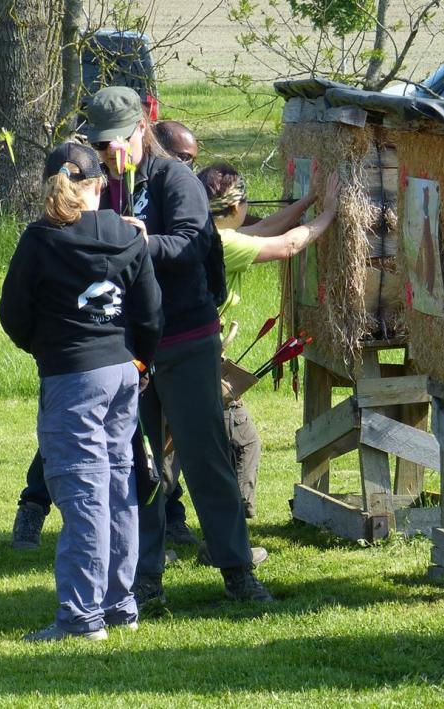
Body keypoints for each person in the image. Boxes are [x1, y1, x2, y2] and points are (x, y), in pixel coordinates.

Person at [91, 86, 272, 604]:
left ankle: (237, 570)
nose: (109, 153)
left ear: (140, 130)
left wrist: (139, 241)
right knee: (139, 464)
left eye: (115, 142)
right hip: (129, 346)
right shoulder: (102, 187)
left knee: (204, 455)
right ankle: (145, 577)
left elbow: (192, 243)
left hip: (187, 336)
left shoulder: (174, 179)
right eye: (100, 145)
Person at [0, 142, 161, 641]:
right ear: (101, 186)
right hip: (122, 371)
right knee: (117, 484)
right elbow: (150, 312)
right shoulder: (128, 234)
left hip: (72, 374)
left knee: (83, 490)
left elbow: (13, 313)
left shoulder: (41, 239)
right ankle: (119, 604)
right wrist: (139, 360)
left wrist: (48, 348)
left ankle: (81, 616)